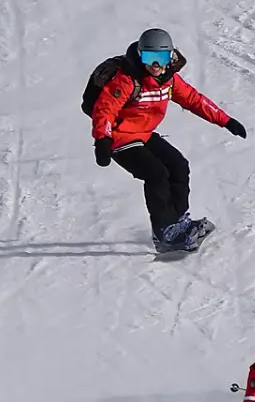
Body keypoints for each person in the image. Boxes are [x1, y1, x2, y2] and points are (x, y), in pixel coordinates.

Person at [87, 27, 246, 253]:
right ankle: (164, 232)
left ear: (170, 56)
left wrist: (225, 120)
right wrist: (102, 139)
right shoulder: (126, 81)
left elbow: (194, 99)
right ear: (141, 56)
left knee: (179, 166)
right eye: (150, 58)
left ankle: (177, 221)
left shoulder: (168, 81)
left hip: (144, 133)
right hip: (120, 138)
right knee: (156, 173)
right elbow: (105, 109)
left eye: (161, 58)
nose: (155, 64)